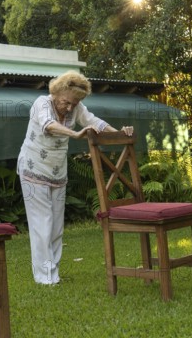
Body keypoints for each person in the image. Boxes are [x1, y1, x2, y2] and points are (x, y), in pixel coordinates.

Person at [17, 70, 134, 285]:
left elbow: (95, 122)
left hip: (57, 172)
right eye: (66, 102)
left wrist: (120, 133)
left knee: (56, 226)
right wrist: (76, 134)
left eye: (75, 103)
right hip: (33, 169)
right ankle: (44, 278)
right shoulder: (41, 103)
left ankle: (54, 273)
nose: (70, 107)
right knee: (41, 224)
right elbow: (48, 125)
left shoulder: (76, 107)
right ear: (57, 91)